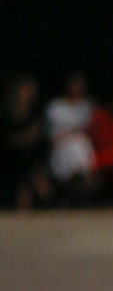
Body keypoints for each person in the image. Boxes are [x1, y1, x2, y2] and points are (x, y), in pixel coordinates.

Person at [0, 74, 53, 209]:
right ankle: (33, 188)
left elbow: (40, 138)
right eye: (26, 90)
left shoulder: (35, 113)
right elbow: (6, 140)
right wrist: (25, 137)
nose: (29, 93)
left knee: (31, 161)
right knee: (26, 163)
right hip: (10, 158)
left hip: (32, 159)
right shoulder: (6, 114)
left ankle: (34, 190)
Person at [46, 70, 97, 201]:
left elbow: (93, 133)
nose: (75, 87)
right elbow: (50, 137)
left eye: (78, 84)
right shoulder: (55, 108)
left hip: (83, 149)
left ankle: (81, 184)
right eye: (73, 83)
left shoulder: (88, 107)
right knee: (72, 148)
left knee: (78, 146)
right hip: (60, 149)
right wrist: (71, 133)